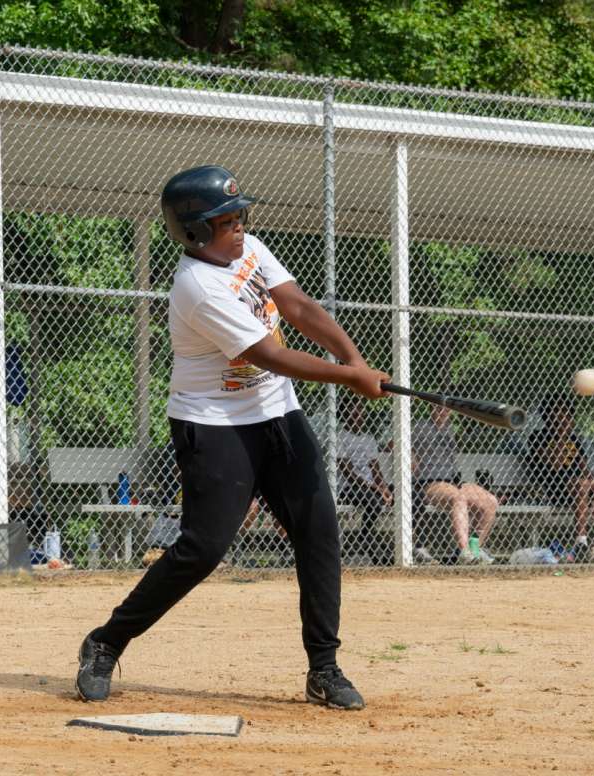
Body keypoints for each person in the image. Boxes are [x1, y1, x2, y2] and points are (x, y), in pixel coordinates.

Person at [75, 165, 388, 710]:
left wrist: (354, 359)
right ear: (195, 232)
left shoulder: (248, 249)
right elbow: (269, 355)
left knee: (318, 532)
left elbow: (299, 307)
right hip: (213, 424)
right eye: (225, 221)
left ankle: (324, 668)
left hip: (276, 414)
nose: (239, 226)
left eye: (241, 215)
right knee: (203, 549)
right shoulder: (197, 287)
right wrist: (350, 378)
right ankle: (106, 642)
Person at [412, 403, 499, 563]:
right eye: (438, 408)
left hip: (453, 481)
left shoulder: (450, 429)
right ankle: (464, 551)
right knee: (459, 498)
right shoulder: (420, 427)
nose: (443, 411)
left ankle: (475, 549)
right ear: (431, 408)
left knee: (490, 502)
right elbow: (394, 442)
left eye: (446, 408)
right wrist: (411, 456)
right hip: (430, 482)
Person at [520, 396, 594, 560]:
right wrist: (562, 435)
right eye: (556, 412)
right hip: (552, 489)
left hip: (579, 488)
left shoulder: (575, 440)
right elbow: (556, 464)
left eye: (566, 412)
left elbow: (585, 470)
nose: (562, 416)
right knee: (581, 485)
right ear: (547, 416)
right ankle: (581, 543)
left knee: (588, 484)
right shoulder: (538, 437)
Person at [335, 400, 393, 565]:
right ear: (345, 416)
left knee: (408, 496)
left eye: (361, 411)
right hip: (347, 487)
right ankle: (366, 536)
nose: (358, 415)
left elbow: (375, 469)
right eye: (353, 412)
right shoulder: (340, 437)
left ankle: (412, 547)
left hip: (370, 487)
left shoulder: (369, 439)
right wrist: (374, 487)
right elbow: (347, 471)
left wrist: (383, 487)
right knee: (373, 500)